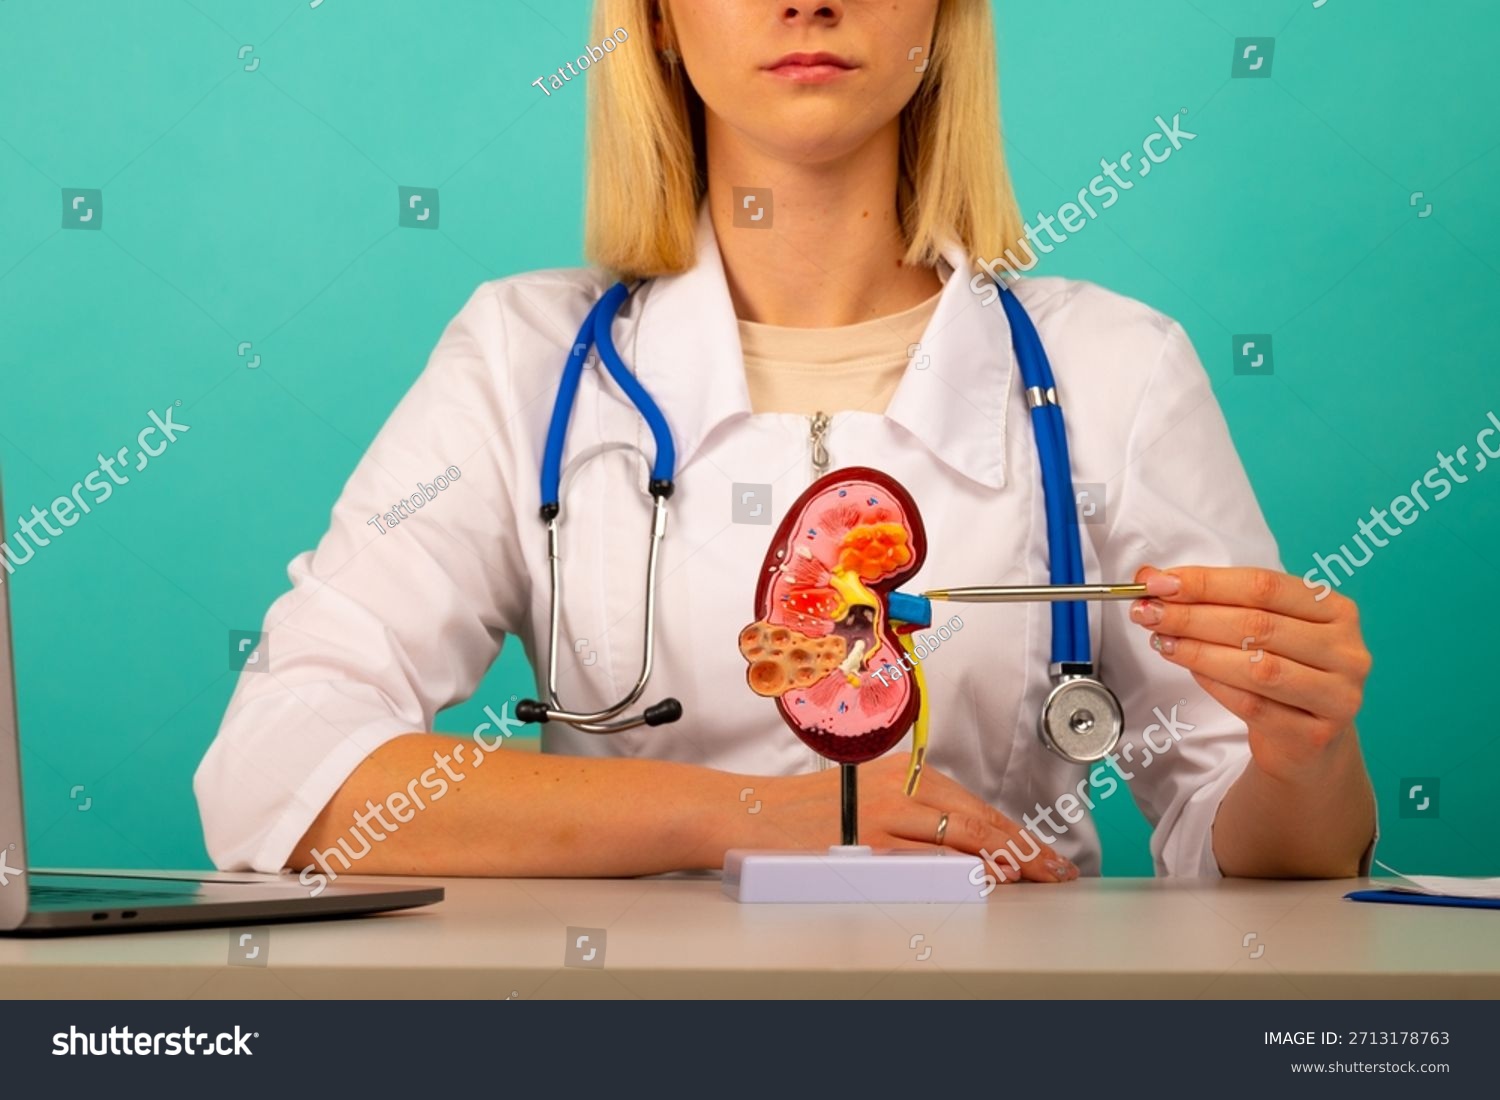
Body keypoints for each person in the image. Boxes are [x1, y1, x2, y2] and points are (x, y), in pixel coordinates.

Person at [195, 0, 1376, 885]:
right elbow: (276, 772)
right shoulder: (522, 359)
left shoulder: (1115, 371)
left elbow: (1270, 875)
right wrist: (756, 814)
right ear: (656, 19)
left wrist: (1304, 757)